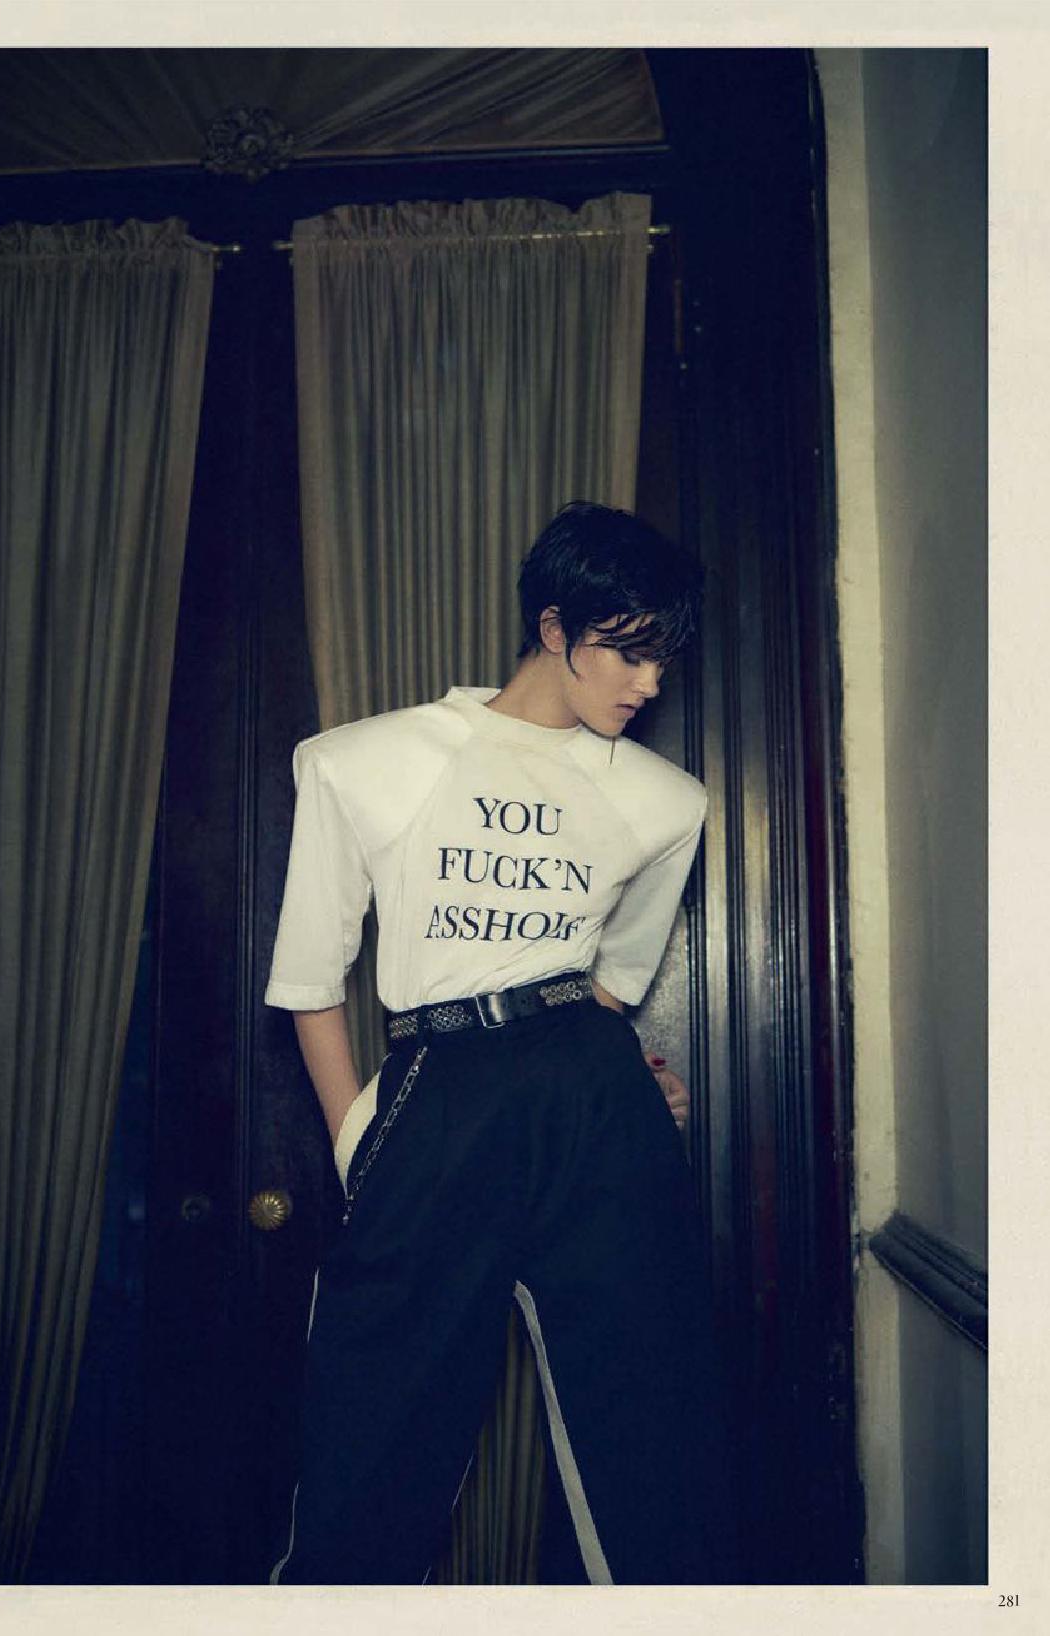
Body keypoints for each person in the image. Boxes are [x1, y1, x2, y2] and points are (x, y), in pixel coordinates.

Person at [263, 500, 735, 1585]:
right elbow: (309, 983)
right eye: (625, 652)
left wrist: (618, 1087)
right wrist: (357, 1138)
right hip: (439, 1082)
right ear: (554, 627)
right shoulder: (361, 761)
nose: (646, 684)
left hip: (591, 1094)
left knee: (653, 1424)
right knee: (374, 1429)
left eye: (661, 659)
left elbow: (609, 987)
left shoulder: (669, 802)